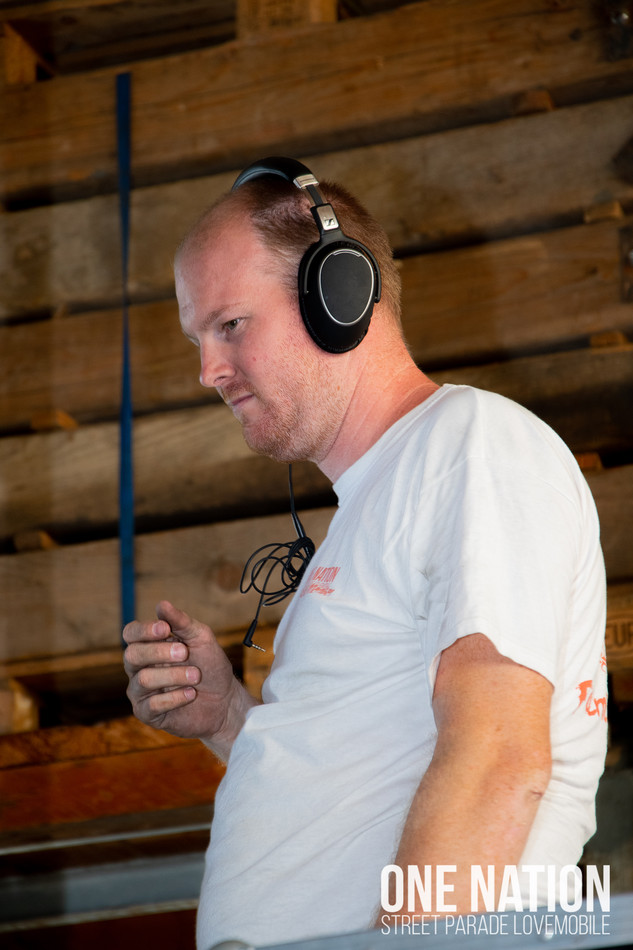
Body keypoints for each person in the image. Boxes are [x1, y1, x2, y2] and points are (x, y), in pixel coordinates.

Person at [123, 158, 608, 947]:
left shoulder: (471, 446)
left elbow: (498, 759)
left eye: (230, 325)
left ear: (338, 294)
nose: (207, 371)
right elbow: (348, 783)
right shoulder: (377, 505)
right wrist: (227, 718)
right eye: (197, 339)